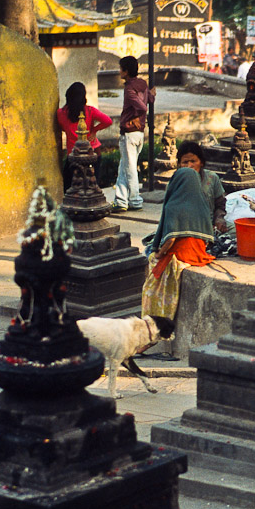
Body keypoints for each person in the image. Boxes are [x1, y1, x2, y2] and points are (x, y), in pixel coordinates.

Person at [141, 167, 215, 320]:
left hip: (181, 254)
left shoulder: (173, 205)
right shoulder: (203, 203)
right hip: (199, 253)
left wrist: (160, 253)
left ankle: (153, 319)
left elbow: (170, 240)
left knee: (150, 268)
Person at [112, 55, 155, 213]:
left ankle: (135, 200)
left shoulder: (130, 88)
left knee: (129, 168)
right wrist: (151, 94)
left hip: (129, 132)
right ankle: (121, 200)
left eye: (121, 69)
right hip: (138, 133)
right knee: (124, 166)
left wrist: (135, 116)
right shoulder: (142, 84)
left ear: (126, 71)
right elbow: (150, 99)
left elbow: (143, 106)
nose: (119, 72)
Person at [55, 82, 112, 191]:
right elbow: (108, 121)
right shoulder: (89, 111)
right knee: (92, 186)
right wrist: (93, 130)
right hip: (93, 151)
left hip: (74, 154)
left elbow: (62, 127)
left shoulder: (61, 113)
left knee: (71, 186)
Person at [177, 140, 228, 233]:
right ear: (179, 164)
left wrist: (219, 219)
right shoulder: (175, 183)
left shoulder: (212, 178)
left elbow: (220, 204)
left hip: (211, 225)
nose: (189, 166)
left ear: (201, 162)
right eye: (185, 162)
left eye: (193, 161)